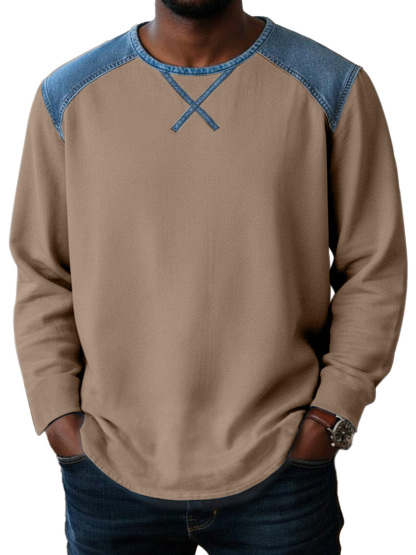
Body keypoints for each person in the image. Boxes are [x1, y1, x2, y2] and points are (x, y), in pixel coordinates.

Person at [9, 0, 407, 553]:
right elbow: (42, 271)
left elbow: (374, 266)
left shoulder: (331, 86)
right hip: (109, 466)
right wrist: (58, 418)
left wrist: (332, 415)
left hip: (283, 467)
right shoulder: (68, 95)